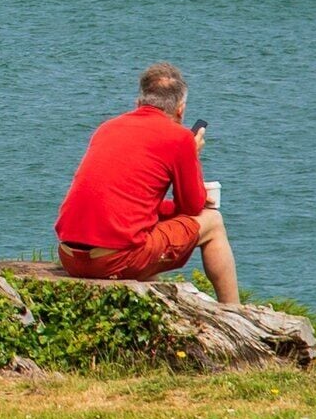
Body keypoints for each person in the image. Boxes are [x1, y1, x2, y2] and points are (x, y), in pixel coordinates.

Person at [54, 62, 240, 305]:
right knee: (213, 223)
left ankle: (154, 304)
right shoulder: (180, 138)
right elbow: (192, 207)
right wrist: (192, 154)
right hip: (113, 260)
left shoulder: (106, 128)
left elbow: (127, 198)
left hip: (70, 256)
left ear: (138, 103)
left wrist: (168, 208)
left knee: (149, 233)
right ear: (180, 110)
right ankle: (233, 310)